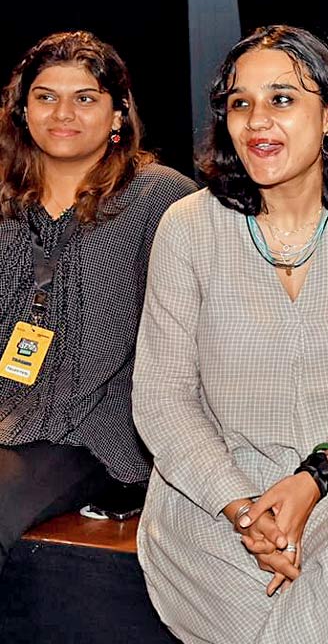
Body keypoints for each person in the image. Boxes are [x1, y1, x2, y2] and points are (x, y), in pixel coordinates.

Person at [132, 26, 328, 644]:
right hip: (217, 494)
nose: (256, 121)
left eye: (281, 99)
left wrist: (311, 481)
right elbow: (162, 399)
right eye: (240, 103)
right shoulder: (187, 230)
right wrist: (243, 510)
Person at [0, 31, 195, 572]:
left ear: (118, 114)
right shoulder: (5, 201)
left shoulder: (162, 200)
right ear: (20, 110)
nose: (63, 112)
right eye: (45, 96)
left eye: (85, 98)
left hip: (97, 431)